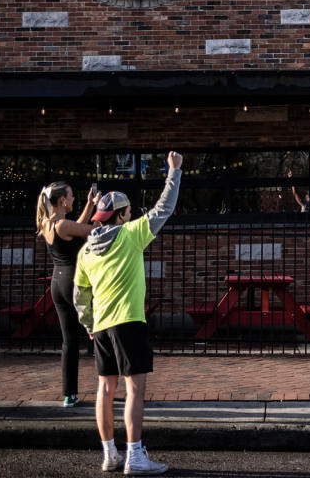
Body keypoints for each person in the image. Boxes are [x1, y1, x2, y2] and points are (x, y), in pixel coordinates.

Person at [74, 151, 182, 475]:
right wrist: (173, 171)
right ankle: (134, 455)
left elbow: (79, 294)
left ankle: (110, 454)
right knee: (135, 388)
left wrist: (89, 323)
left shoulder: (85, 253)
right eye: (129, 211)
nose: (133, 215)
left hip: (102, 328)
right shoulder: (130, 235)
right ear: (119, 215)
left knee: (105, 389)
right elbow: (164, 208)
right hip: (129, 321)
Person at [36, 180, 99, 408]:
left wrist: (90, 206)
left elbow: (76, 226)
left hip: (57, 284)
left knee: (69, 341)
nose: (73, 199)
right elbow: (90, 230)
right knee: (96, 332)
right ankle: (107, 385)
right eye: (71, 196)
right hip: (74, 284)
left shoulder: (47, 223)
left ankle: (69, 395)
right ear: (62, 200)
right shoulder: (63, 226)